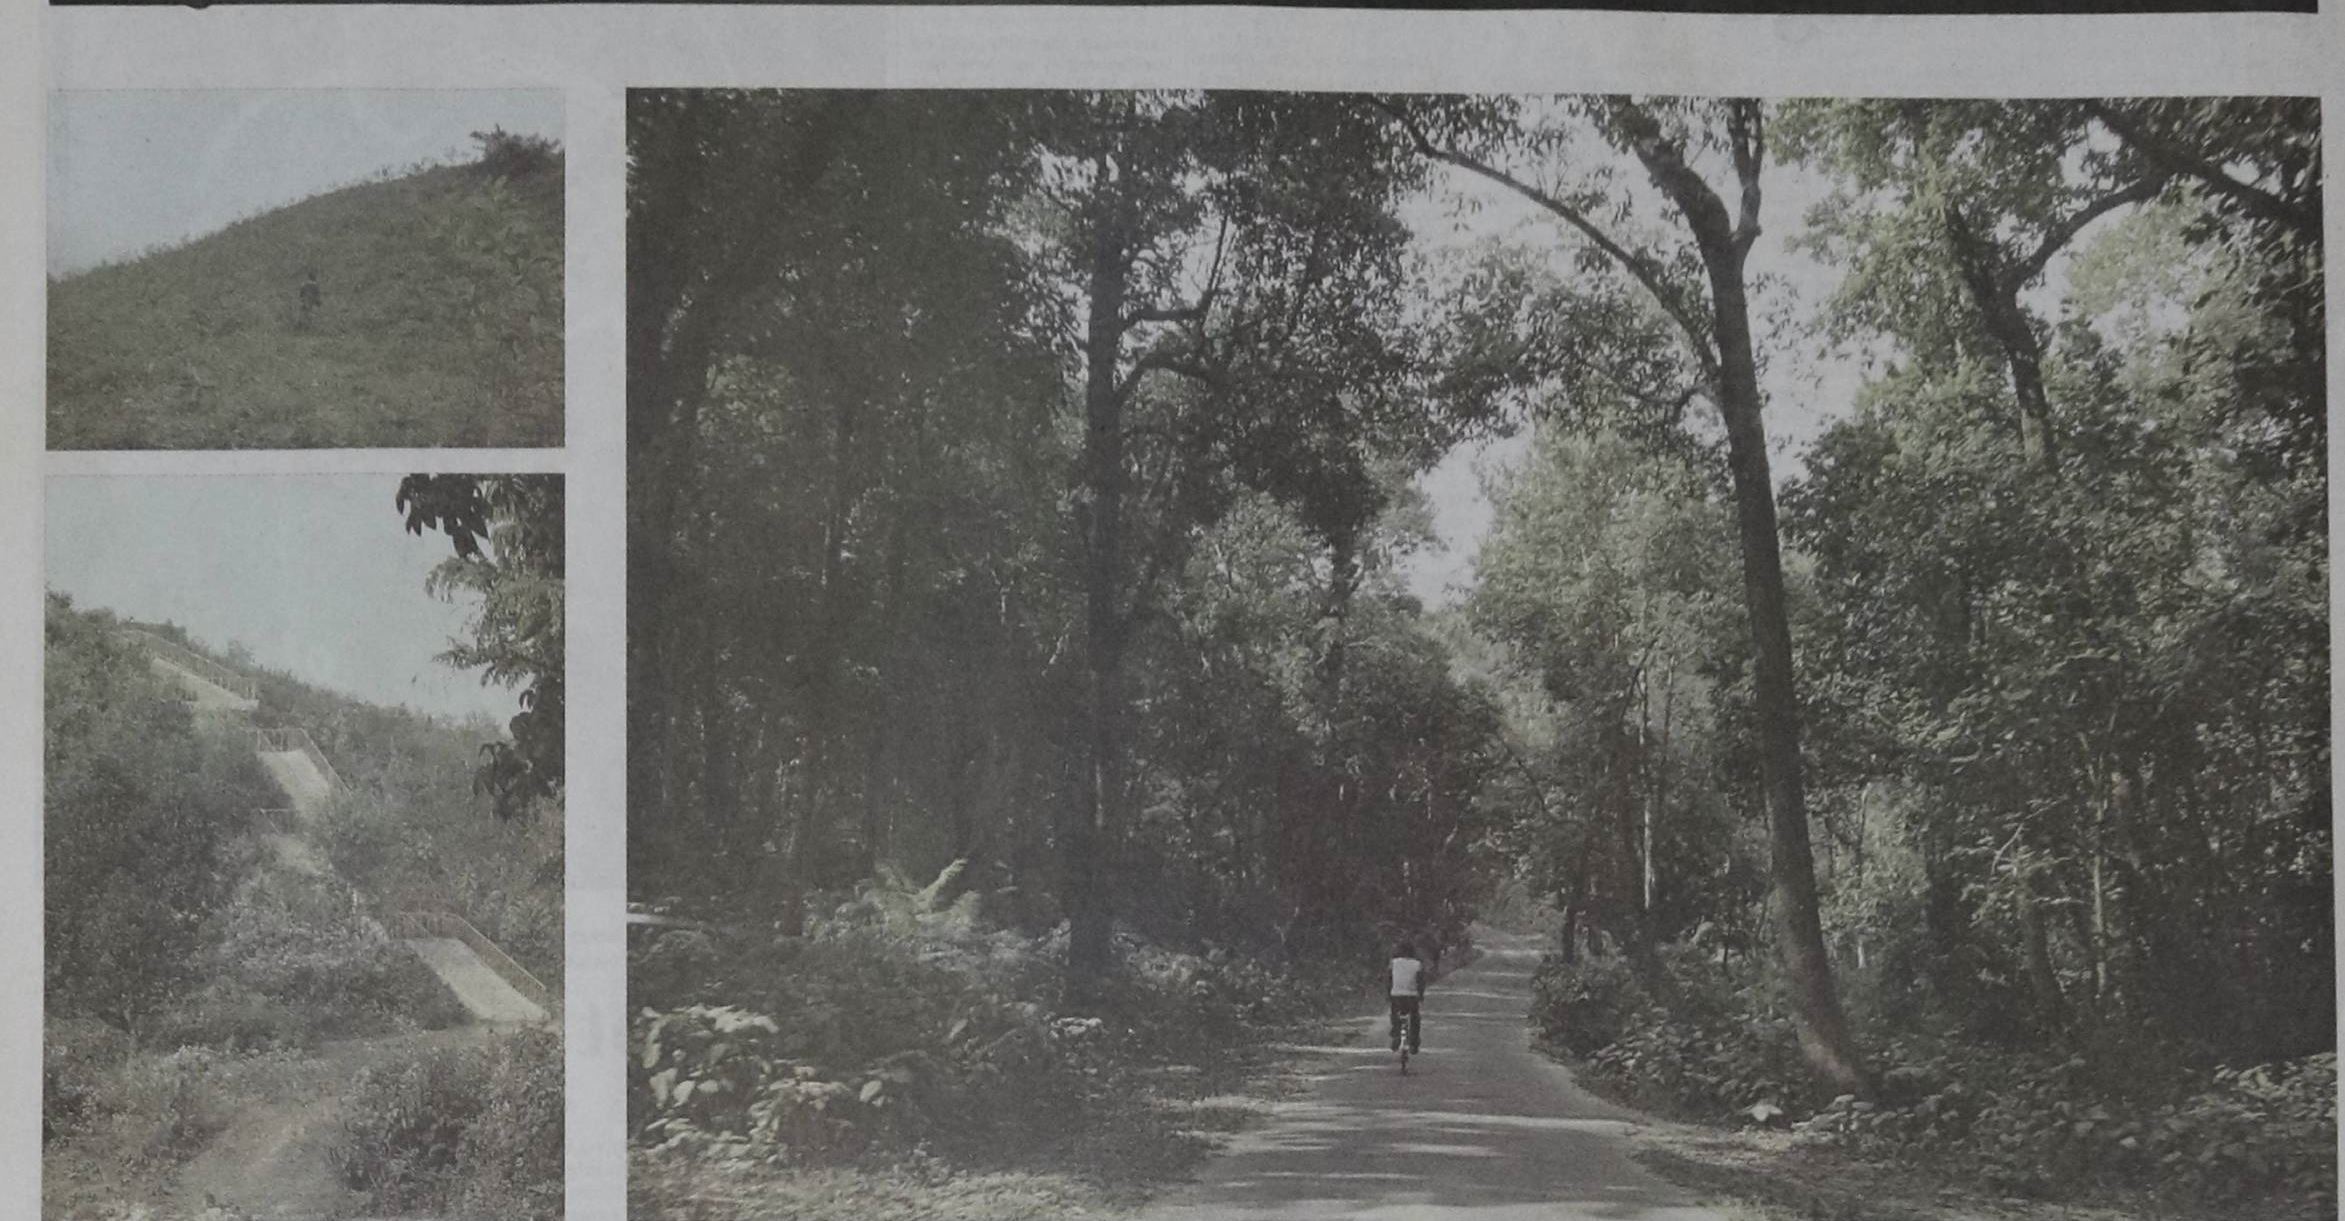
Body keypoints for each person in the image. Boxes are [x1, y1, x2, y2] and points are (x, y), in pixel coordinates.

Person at [1389, 940, 1426, 1054]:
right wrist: (1421, 995)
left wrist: (1388, 993)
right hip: (1412, 996)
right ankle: (1414, 1042)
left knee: (1395, 1014)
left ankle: (1396, 1034)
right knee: (1415, 1017)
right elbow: (1421, 981)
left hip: (1396, 995)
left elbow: (1388, 979)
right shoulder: (1417, 964)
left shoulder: (1393, 963)